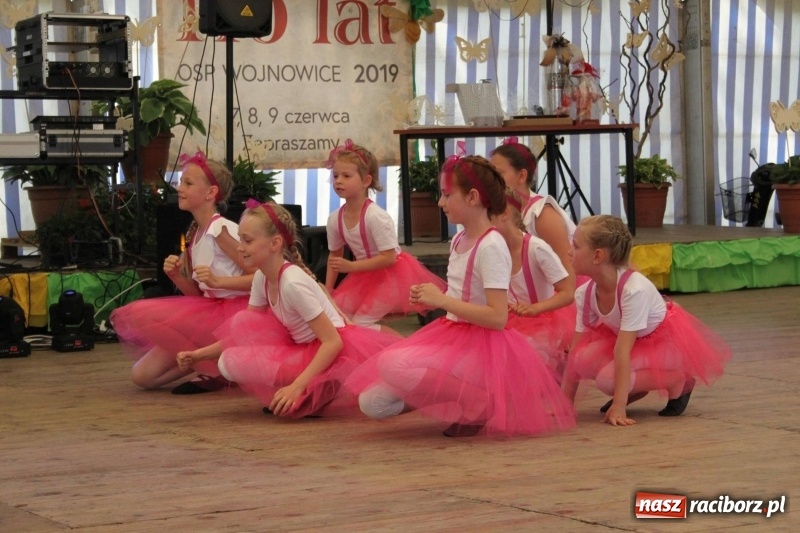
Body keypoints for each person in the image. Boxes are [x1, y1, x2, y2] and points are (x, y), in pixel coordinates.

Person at [348, 155, 575, 437]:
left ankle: (481, 403)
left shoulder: (491, 246)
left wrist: (441, 301)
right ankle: (457, 397)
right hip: (453, 334)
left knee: (391, 363)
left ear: (473, 198)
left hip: (481, 346)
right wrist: (430, 296)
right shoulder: (458, 239)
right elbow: (462, 295)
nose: (440, 203)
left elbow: (498, 317)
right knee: (373, 403)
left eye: (446, 195)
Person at [177, 201, 400, 418]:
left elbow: (333, 342)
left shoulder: (292, 283)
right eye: (241, 239)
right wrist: (198, 355)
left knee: (238, 358)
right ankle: (314, 388)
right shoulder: (262, 278)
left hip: (332, 352)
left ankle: (324, 384)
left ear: (274, 244)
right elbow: (243, 332)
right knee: (230, 355)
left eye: (247, 240)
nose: (239, 247)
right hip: (301, 348)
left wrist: (297, 386)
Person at [562, 215, 731, 426]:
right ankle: (633, 388)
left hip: (664, 345)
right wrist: (565, 404)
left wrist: (619, 406)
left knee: (607, 380)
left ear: (598, 256)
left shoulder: (633, 291)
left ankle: (678, 381)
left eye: (576, 246)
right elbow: (576, 350)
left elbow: (622, 351)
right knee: (581, 358)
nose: (569, 252)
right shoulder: (585, 294)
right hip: (630, 341)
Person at [110, 152, 254, 394]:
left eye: (188, 183)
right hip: (210, 314)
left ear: (211, 193)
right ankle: (214, 365)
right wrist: (177, 276)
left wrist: (219, 281)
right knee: (142, 376)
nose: (179, 188)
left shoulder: (221, 230)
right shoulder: (195, 234)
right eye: (180, 182)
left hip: (235, 315)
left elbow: (263, 278)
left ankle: (218, 367)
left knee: (140, 316)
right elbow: (198, 296)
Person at [324, 139, 446, 332]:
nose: (338, 181)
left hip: (390, 276)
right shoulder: (334, 220)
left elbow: (389, 258)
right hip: (362, 276)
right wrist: (328, 290)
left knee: (362, 324)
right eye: (335, 175)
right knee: (338, 317)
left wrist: (352, 266)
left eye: (346, 176)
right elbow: (334, 256)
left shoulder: (376, 217)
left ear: (366, 181)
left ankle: (400, 346)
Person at [491, 188, 576, 380]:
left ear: (505, 214)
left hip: (544, 322)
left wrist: (535, 308)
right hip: (508, 321)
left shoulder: (536, 249)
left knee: (519, 353)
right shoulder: (491, 249)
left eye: (487, 215)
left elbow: (567, 292)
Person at [490, 138, 580, 290]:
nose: (491, 180)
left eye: (498, 174)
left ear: (522, 176)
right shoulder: (494, 211)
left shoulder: (542, 215)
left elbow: (569, 277)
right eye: (490, 174)